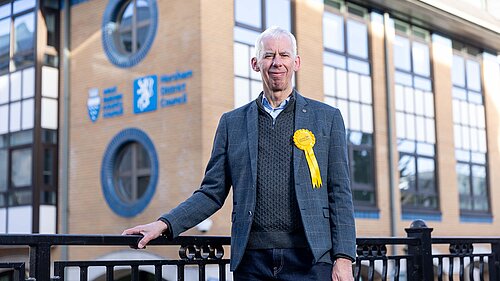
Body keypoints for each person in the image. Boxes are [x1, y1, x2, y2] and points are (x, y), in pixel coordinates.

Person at [123, 26, 356, 281]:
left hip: (310, 259)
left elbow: (339, 193)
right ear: (255, 64)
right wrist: (164, 224)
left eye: (284, 55)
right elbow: (211, 192)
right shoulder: (231, 123)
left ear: (296, 62)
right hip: (252, 262)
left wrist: (344, 258)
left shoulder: (327, 118)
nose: (277, 62)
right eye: (268, 55)